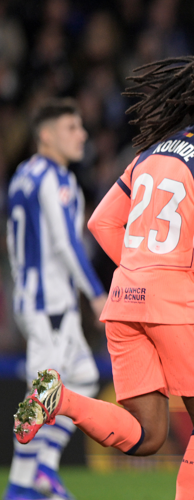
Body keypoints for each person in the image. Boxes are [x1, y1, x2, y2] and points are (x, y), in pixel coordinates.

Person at [13, 56, 194, 500]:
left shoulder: (150, 154)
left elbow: (100, 223)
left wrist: (139, 269)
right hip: (178, 301)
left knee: (147, 433)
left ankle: (60, 400)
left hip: (125, 299)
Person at [5, 99, 107, 500]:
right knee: (41, 394)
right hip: (48, 305)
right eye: (71, 127)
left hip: (42, 299)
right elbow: (65, 244)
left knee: (82, 378)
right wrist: (97, 294)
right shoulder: (53, 177)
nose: (81, 134)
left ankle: (44, 467)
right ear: (45, 136)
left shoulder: (22, 175)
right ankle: (19, 487)